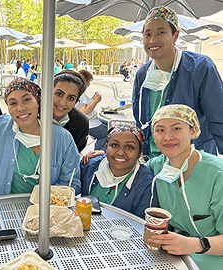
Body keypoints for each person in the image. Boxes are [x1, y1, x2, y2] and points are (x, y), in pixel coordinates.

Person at [132, 6, 223, 159]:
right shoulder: (143, 73)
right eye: (147, 34)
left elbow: (219, 117)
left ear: (175, 35)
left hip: (192, 160)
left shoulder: (200, 67)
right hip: (153, 159)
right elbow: (140, 119)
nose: (153, 40)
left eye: (161, 32)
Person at [146, 104, 223, 269]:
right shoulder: (157, 166)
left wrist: (195, 244)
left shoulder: (218, 174)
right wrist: (101, 157)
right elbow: (131, 170)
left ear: (193, 131)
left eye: (176, 128)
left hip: (213, 255)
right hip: (174, 251)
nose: (167, 137)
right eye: (160, 130)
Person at [0, 78, 81, 197]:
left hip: (46, 210)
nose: (20, 108)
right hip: (0, 207)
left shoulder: (62, 138)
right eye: (13, 103)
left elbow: (71, 182)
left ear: (38, 102)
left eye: (26, 100)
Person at [80, 125, 157, 219]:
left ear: (140, 152)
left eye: (129, 147)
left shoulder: (146, 184)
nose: (120, 152)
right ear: (106, 147)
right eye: (114, 145)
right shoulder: (89, 166)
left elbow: (144, 225)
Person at [52, 70, 90, 153]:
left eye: (71, 98)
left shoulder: (80, 123)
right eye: (59, 94)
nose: (62, 103)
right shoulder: (31, 115)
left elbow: (74, 154)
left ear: (76, 101)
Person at [75, 70, 107, 150]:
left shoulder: (80, 92)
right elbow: (84, 111)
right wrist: (96, 101)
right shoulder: (78, 93)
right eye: (88, 82)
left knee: (110, 125)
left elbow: (85, 104)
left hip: (92, 119)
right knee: (106, 134)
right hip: (88, 123)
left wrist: (93, 98)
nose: (88, 85)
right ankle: (97, 155)